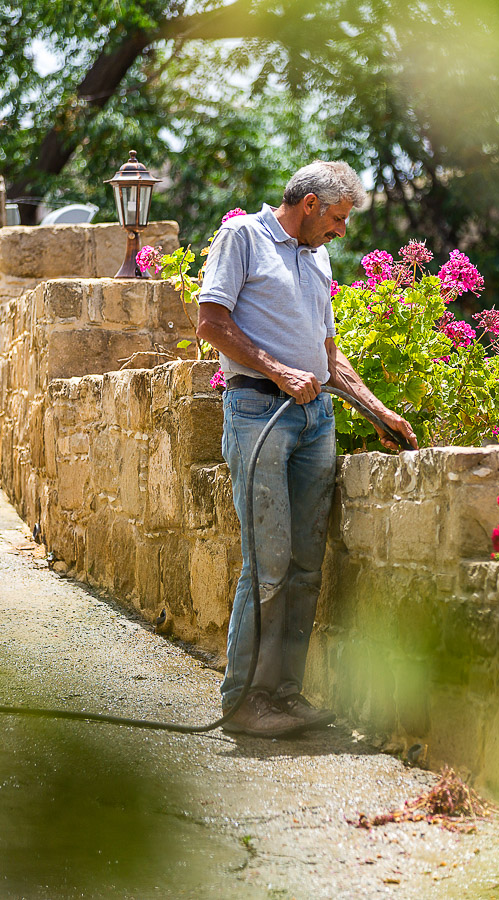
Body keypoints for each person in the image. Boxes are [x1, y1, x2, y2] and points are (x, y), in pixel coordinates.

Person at [197, 161, 418, 738]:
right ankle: (243, 700)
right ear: (313, 203)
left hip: (314, 421)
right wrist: (278, 371)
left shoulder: (317, 256)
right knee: (267, 564)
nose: (342, 231)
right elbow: (211, 323)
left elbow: (328, 353)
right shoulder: (243, 236)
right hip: (257, 413)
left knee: (303, 568)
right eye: (339, 218)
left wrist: (379, 409)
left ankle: (284, 696)